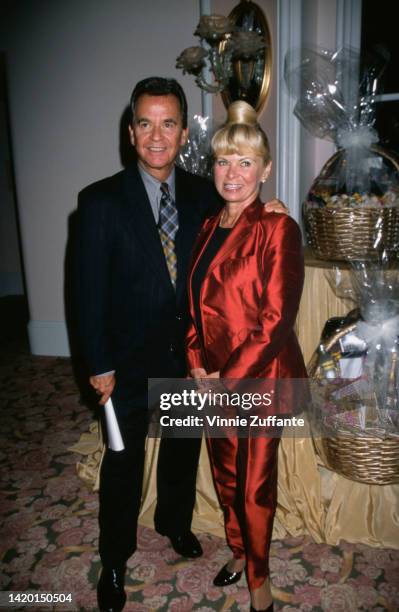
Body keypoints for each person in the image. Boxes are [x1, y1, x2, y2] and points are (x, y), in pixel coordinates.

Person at [76, 78, 287, 611]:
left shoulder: (204, 191)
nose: (156, 135)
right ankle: (117, 560)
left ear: (183, 131)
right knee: (122, 463)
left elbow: (240, 228)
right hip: (124, 362)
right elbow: (85, 291)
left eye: (168, 123)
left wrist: (273, 208)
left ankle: (174, 523)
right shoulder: (99, 201)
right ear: (131, 132)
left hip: (190, 359)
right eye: (144, 123)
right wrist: (97, 364)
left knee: (182, 452)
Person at [186, 101, 307, 612]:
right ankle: (239, 550)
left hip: (259, 380)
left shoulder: (279, 228)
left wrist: (224, 379)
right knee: (226, 473)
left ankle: (259, 581)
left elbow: (275, 323)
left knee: (255, 486)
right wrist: (196, 363)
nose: (232, 173)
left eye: (244, 162)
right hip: (210, 376)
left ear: (266, 169)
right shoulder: (208, 225)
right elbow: (191, 301)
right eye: (222, 161)